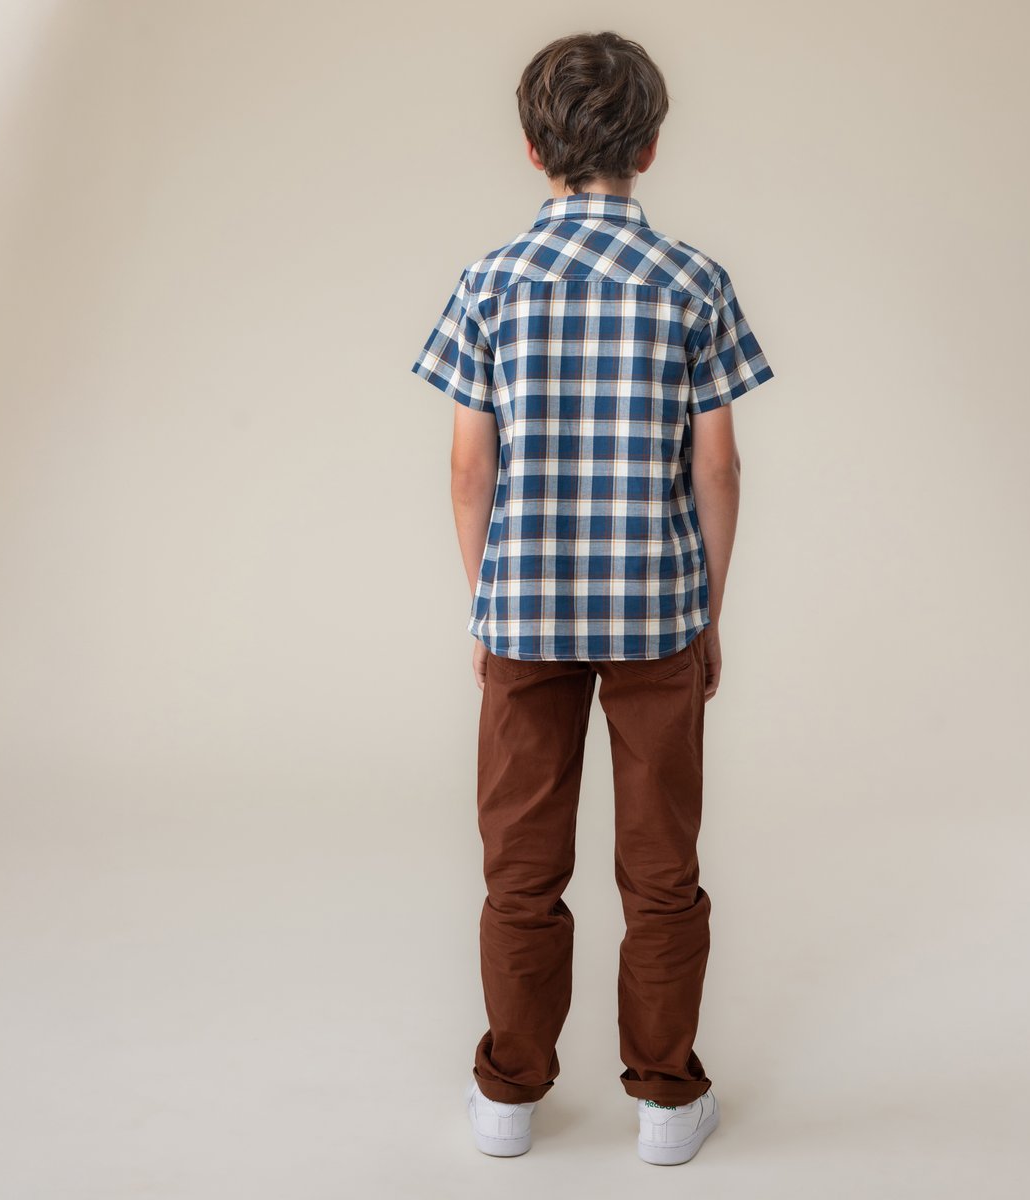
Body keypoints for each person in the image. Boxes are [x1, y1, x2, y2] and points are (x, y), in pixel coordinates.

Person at [409, 29, 775, 1166]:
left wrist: (488, 602)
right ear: (651, 146)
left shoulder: (490, 281)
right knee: (662, 867)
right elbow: (718, 467)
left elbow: (468, 468)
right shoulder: (693, 281)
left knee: (520, 865)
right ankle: (665, 1101)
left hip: (524, 613)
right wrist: (709, 610)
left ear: (533, 149)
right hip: (658, 612)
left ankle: (509, 1095)